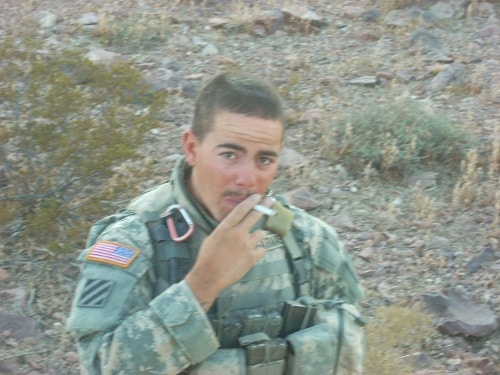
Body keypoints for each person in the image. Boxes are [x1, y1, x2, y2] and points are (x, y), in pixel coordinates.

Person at [66, 71, 365, 374]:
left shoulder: (307, 239)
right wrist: (201, 286)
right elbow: (98, 365)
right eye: (230, 155)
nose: (247, 179)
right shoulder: (131, 243)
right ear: (192, 148)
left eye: (264, 160)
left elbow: (345, 344)